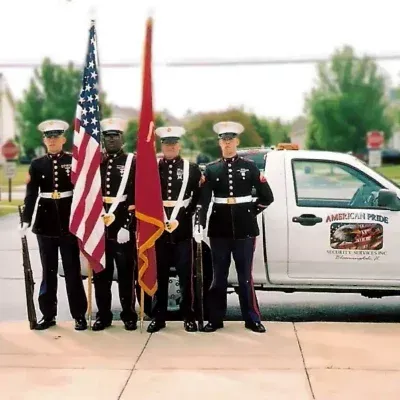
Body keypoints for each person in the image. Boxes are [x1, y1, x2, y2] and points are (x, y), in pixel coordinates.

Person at [199, 121, 274, 333]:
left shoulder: (249, 167)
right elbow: (204, 201)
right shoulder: (212, 169)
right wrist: (200, 224)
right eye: (224, 140)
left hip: (245, 229)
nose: (228, 143)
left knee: (245, 278)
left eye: (231, 139)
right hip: (219, 230)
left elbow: (267, 197)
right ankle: (215, 319)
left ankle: (252, 319)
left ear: (237, 141)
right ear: (219, 143)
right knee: (218, 277)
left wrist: (251, 211)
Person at [19, 120, 88, 331]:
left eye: (56, 136)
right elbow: (31, 195)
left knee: (72, 271)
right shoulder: (37, 164)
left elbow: (83, 191)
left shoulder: (73, 160)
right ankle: (48, 315)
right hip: (46, 222)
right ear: (44, 140)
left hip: (69, 221)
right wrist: (27, 220)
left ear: (63, 139)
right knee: (48, 272)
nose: (52, 140)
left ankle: (79, 315)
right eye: (49, 137)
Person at [147, 126, 202, 333]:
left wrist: (184, 218)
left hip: (182, 229)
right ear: (162, 145)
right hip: (159, 229)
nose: (170, 146)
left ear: (179, 145)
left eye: (173, 143)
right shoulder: (154, 169)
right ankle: (158, 317)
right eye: (166, 143)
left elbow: (197, 197)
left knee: (185, 276)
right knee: (159, 274)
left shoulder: (192, 169)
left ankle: (188, 315)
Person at [90, 118, 138, 331]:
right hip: (100, 226)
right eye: (107, 137)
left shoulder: (131, 162)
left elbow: (136, 197)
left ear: (122, 139)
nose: (111, 140)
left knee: (126, 274)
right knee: (101, 274)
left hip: (122, 227)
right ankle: (104, 315)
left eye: (115, 136)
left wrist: (127, 225)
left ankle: (128, 314)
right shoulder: (95, 162)